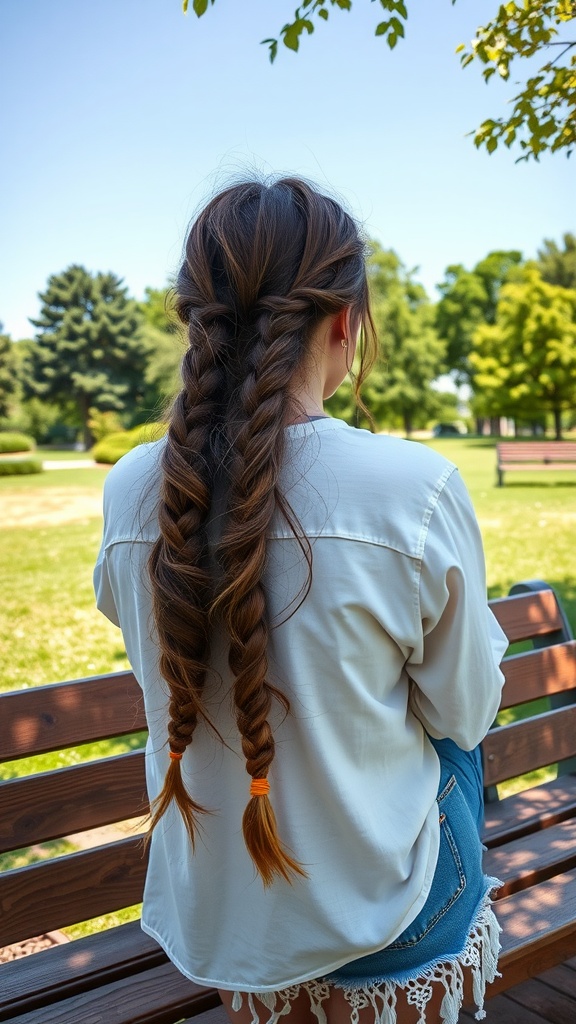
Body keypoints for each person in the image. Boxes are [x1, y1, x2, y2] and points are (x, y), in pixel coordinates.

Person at [94, 177, 508, 1024]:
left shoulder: (133, 489)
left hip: (217, 911)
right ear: (346, 322)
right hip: (380, 916)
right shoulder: (413, 487)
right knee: (457, 752)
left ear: (194, 319)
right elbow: (467, 713)